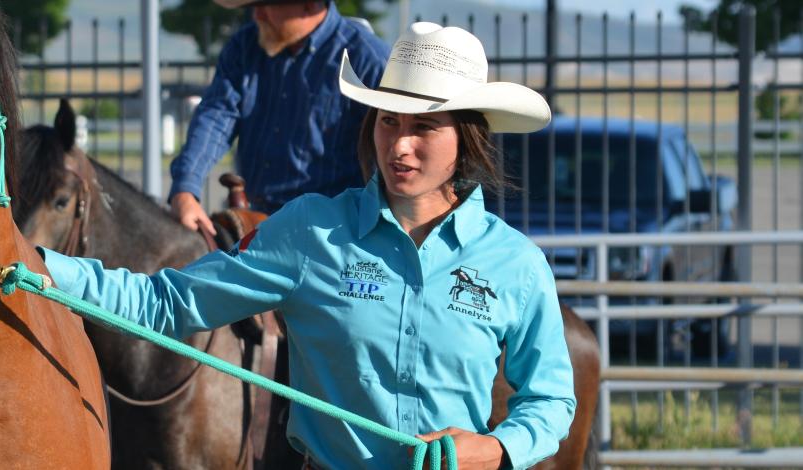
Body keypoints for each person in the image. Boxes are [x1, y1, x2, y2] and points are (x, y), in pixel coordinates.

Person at [39, 22, 575, 469]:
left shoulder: (515, 264)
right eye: (389, 122)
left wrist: (498, 448)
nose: (401, 145)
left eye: (426, 127)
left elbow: (549, 399)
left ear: (467, 137)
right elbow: (170, 303)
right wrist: (43, 267)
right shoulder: (310, 232)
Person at [169, 0, 391, 231]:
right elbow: (216, 118)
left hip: (335, 231)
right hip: (257, 220)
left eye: (266, 4)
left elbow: (395, 146)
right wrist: (185, 190)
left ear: (310, 5)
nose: (257, 15)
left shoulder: (367, 59)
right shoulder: (245, 46)